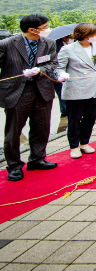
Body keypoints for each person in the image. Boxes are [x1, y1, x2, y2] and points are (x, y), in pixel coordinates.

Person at [0, 14, 58, 181]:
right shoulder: (7, 44)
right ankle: (14, 166)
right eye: (45, 27)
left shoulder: (49, 43)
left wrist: (41, 70)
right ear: (32, 30)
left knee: (41, 127)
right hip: (17, 91)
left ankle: (37, 159)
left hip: (41, 89)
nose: (47, 30)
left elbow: (53, 63)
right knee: (14, 131)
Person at [56, 23, 96, 158]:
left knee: (90, 117)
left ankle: (84, 142)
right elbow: (59, 68)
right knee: (75, 118)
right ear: (86, 36)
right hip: (76, 89)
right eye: (95, 34)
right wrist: (62, 75)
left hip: (94, 87)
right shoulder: (68, 49)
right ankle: (74, 146)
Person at [54, 34, 71, 118]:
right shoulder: (56, 45)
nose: (72, 39)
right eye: (70, 37)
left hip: (67, 73)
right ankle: (64, 111)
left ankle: (66, 109)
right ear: (64, 37)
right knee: (61, 91)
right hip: (58, 72)